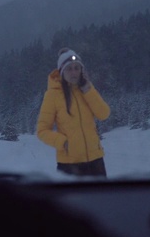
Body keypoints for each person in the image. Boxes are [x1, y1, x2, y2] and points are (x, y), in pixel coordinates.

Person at [36, 48, 111, 177]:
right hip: (69, 164)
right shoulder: (53, 95)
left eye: (77, 68)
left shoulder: (87, 89)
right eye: (69, 69)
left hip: (96, 160)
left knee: (100, 197)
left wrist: (88, 90)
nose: (74, 72)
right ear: (61, 72)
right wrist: (63, 142)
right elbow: (42, 131)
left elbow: (104, 114)